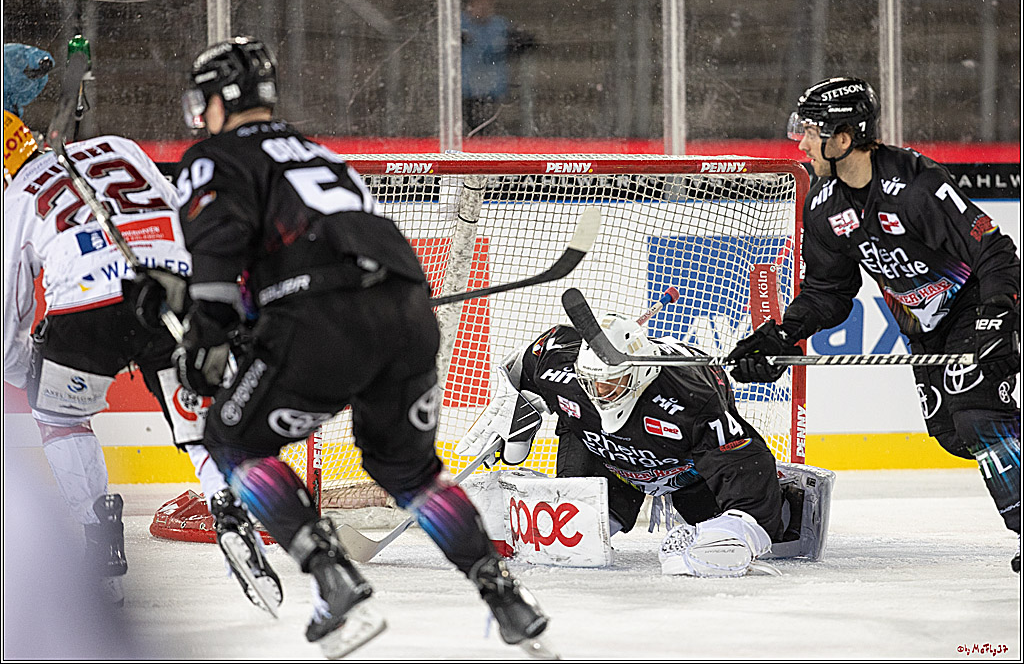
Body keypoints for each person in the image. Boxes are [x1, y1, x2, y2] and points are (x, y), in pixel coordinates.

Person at [162, 36, 551, 659]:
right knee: (409, 471)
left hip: (319, 318)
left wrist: (205, 341)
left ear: (221, 98)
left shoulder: (214, 156)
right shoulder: (319, 153)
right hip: (407, 314)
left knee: (233, 441)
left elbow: (216, 263)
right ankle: (506, 597)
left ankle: (331, 577)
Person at [724, 76, 1021, 573]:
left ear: (843, 138)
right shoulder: (824, 207)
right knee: (952, 433)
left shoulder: (917, 185)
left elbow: (993, 250)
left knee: (978, 416)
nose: (800, 141)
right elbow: (827, 294)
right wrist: (780, 336)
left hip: (975, 309)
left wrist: (995, 315)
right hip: (924, 329)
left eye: (811, 130)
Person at [2, 107, 281, 610]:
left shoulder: (16, 199)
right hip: (170, 291)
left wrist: (32, 372)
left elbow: (5, 331)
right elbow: (182, 220)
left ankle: (99, 539)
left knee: (60, 417)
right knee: (199, 418)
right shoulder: (118, 145)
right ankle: (230, 508)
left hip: (84, 312)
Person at [456, 311, 827, 577]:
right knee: (568, 545)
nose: (599, 393)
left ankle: (765, 510)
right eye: (592, 382)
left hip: (687, 474)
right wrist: (516, 403)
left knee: (744, 538)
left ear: (637, 373)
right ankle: (608, 507)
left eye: (611, 383)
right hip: (605, 459)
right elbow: (529, 358)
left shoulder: (690, 399)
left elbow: (745, 455)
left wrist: (748, 524)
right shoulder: (564, 365)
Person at [460, 0, 533, 135]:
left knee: (489, 129)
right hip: (465, 89)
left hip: (492, 89)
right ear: (470, 6)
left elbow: (522, 44)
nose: (483, 8)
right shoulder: (458, 25)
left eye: (487, 4)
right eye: (478, 4)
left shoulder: (500, 25)